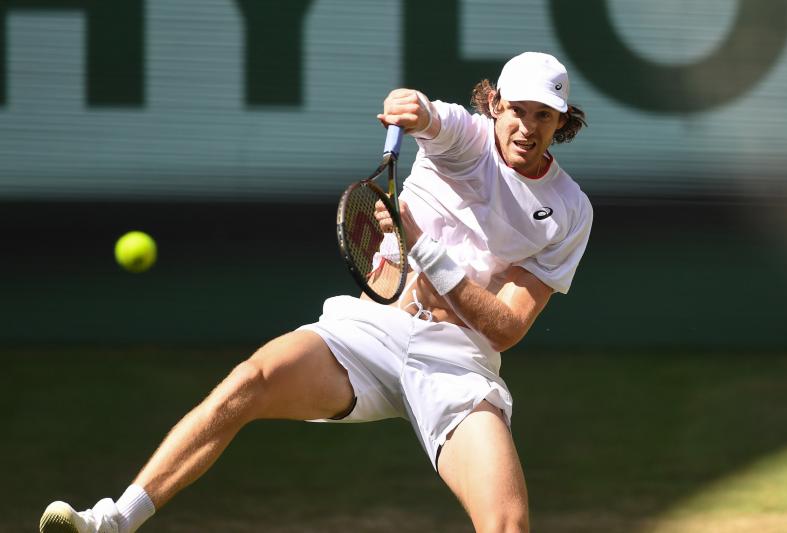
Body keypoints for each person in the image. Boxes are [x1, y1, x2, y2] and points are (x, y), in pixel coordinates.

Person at [39, 51, 591, 533]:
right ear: (494, 104)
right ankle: (113, 521)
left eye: (544, 115)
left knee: (507, 523)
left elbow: (508, 327)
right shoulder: (465, 137)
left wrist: (421, 246)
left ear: (560, 121)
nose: (527, 127)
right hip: (369, 332)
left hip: (458, 362)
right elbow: (427, 113)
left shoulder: (570, 211)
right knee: (248, 382)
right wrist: (411, 106)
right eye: (517, 109)